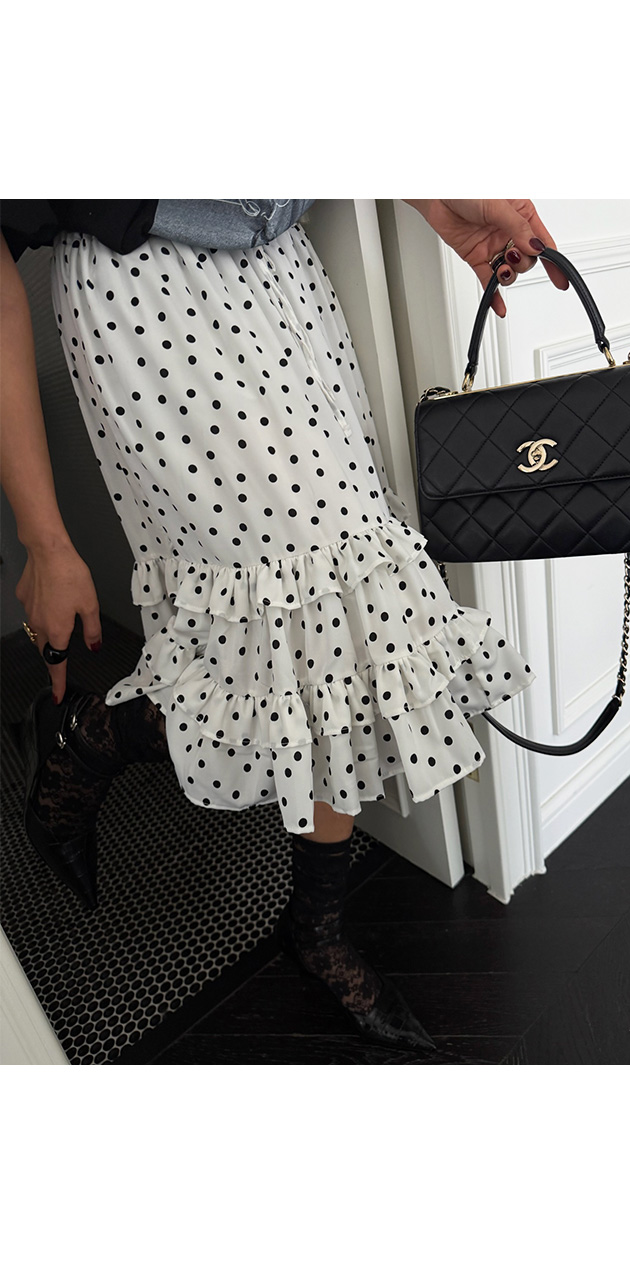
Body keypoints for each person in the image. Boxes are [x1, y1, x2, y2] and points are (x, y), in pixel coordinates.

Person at [0, 198, 568, 1059]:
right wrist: (44, 537)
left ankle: (312, 921)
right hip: (156, 307)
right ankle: (92, 744)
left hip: (286, 286)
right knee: (289, 630)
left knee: (345, 629)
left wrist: (443, 200)